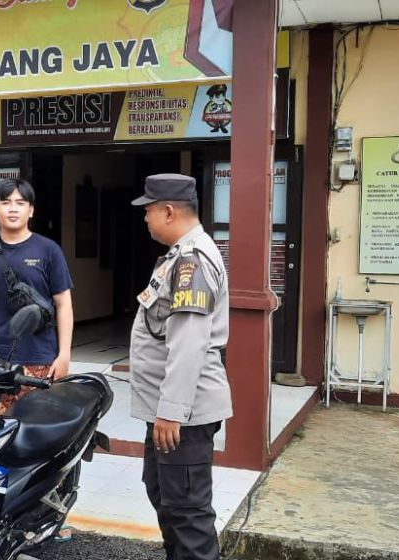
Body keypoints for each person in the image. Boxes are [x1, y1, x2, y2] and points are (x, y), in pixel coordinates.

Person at [129, 173, 232, 560]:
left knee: (187, 512)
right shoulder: (178, 256)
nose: (145, 218)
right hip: (168, 409)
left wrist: (171, 412)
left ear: (169, 211)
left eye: (149, 210)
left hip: (182, 414)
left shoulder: (192, 262)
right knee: (166, 496)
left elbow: (189, 343)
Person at [0, 178, 73, 414]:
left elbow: (64, 305)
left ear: (31, 210)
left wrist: (64, 355)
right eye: (6, 202)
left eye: (20, 203)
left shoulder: (48, 250)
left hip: (38, 358)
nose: (13, 209)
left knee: (34, 427)